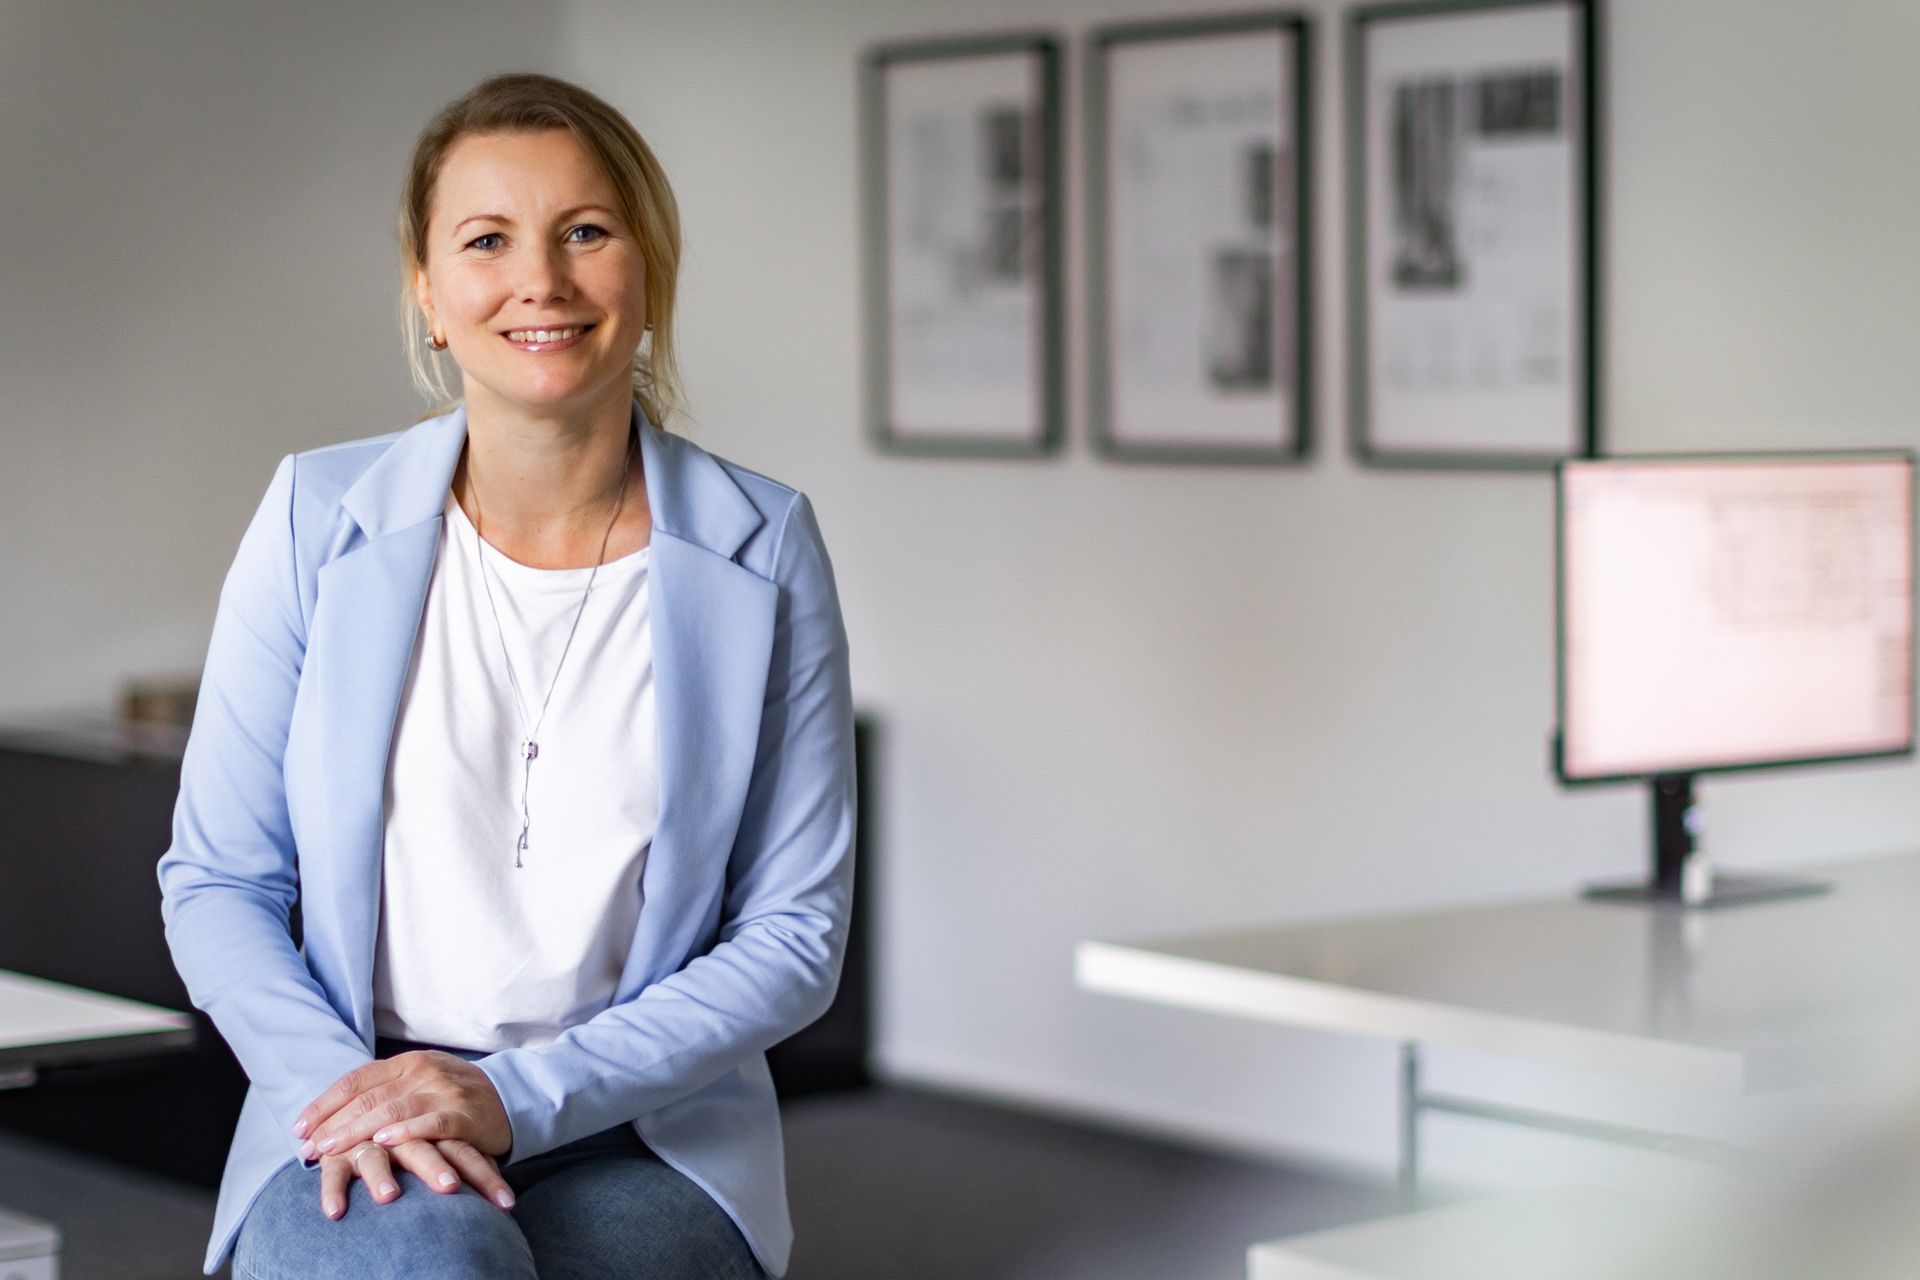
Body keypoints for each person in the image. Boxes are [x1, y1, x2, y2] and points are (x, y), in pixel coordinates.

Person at [156, 71, 855, 1280]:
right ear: (430, 294)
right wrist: (356, 1095)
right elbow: (217, 878)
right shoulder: (315, 519)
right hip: (349, 1097)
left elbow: (794, 929)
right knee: (426, 1256)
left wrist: (515, 1096)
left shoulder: (764, 543)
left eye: (586, 232)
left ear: (647, 275)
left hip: (643, 1124)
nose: (542, 278)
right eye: (488, 240)